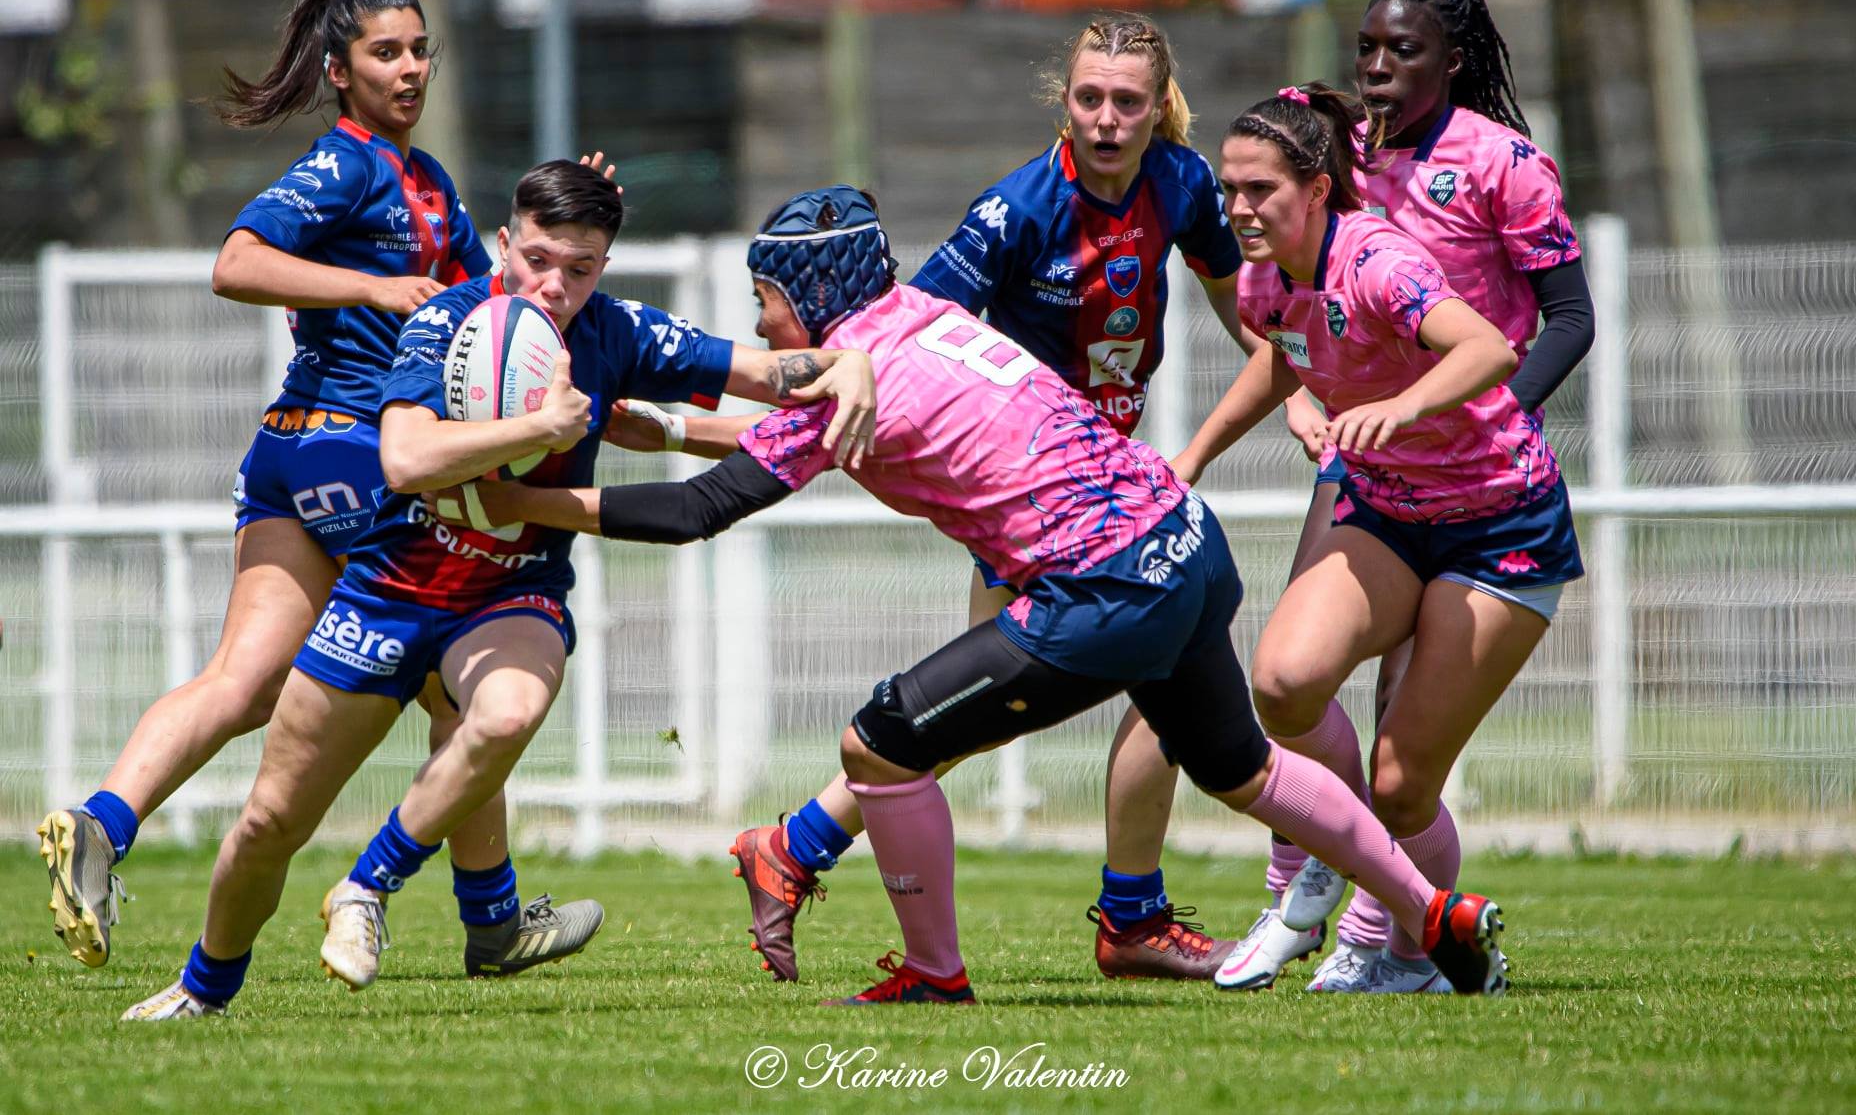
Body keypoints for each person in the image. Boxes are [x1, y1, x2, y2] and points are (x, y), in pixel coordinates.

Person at [447, 184, 1512, 1005]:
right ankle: (1432, 911)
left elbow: (695, 514)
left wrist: (511, 501)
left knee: (878, 745)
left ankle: (933, 970)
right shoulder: (911, 320)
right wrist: (672, 423)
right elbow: (814, 433)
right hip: (1186, 547)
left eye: (766, 302)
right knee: (1243, 771)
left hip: (1103, 589)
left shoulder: (849, 362)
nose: (765, 327)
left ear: (809, 294)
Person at [618, 12, 1313, 983]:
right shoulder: (1014, 212)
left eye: (1125, 102)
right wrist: (754, 415)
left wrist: (1300, 389)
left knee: (1009, 711)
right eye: (1087, 98)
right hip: (1029, 497)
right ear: (1060, 101)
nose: (1106, 119)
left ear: (1158, 109)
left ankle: (810, 851)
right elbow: (894, 342)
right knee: (957, 719)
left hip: (1112, 492)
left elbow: (1247, 312)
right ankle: (832, 857)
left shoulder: (1183, 181)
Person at [118, 162, 878, 1020]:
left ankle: (368, 887)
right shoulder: (444, 320)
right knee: (267, 825)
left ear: (604, 267)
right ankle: (202, 989)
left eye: (582, 269)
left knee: (509, 712)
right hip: (388, 591)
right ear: (504, 244)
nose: (556, 286)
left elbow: (765, 373)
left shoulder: (616, 332)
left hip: (512, 593)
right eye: (540, 260)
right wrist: (542, 427)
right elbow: (404, 459)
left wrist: (847, 364)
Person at [35, 0, 596, 978]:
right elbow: (236, 262)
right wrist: (371, 285)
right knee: (461, 693)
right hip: (358, 450)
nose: (412, 66)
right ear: (339, 71)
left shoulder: (425, 183)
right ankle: (493, 921)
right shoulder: (349, 167)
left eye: (420, 49)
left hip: (289, 454)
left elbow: (495, 302)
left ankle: (100, 819)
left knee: (243, 681)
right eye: (387, 52)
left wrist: (573, 208)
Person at [1209, 0, 1593, 994]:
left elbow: (1566, 320)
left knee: (1398, 761)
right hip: (1373, 479)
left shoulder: (1501, 165)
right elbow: (1298, 310)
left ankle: (1396, 938)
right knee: (1285, 683)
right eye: (1366, 49)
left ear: (1453, 62)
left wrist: (1487, 413)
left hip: (1488, 501)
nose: (1375, 68)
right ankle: (1305, 884)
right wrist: (1283, 400)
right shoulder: (1336, 161)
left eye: (1402, 50)